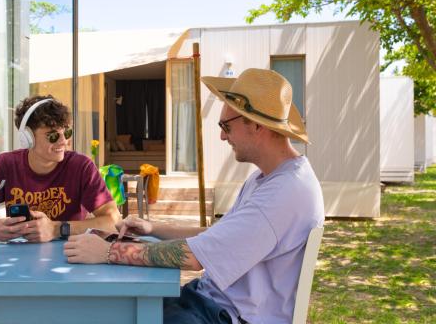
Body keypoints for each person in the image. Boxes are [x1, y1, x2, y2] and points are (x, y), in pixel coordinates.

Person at [64, 68, 325, 324]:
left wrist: (109, 252)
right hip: (209, 302)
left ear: (256, 126)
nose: (223, 136)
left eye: (226, 126)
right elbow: (217, 237)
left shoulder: (283, 193)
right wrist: (153, 227)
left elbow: (193, 257)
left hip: (223, 314)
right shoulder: (268, 179)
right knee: (114, 309)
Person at [0, 95, 121, 243]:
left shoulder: (81, 167)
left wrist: (56, 229)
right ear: (27, 139)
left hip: (70, 256)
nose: (64, 141)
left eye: (67, 132)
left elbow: (114, 221)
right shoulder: (4, 165)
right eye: (53, 136)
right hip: (18, 260)